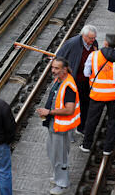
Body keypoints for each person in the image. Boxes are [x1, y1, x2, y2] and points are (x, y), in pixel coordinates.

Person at [35, 57, 80, 195]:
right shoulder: (59, 80)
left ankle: (62, 183)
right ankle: (57, 176)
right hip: (54, 125)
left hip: (60, 126)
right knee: (52, 152)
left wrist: (49, 112)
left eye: (56, 68)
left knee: (60, 156)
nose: (53, 71)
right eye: (52, 67)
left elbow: (69, 109)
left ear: (64, 69)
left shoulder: (68, 87)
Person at [80, 33, 115, 155]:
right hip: (113, 95)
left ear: (105, 43)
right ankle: (108, 148)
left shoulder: (94, 56)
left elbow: (86, 73)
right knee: (112, 121)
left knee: (92, 120)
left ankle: (86, 145)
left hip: (97, 94)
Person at [56, 24, 98, 132]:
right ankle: (69, 128)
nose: (92, 40)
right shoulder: (72, 43)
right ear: (84, 36)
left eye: (94, 38)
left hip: (88, 81)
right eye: (90, 38)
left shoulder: (94, 43)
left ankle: (81, 127)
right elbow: (59, 57)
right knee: (72, 105)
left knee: (86, 104)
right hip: (74, 80)